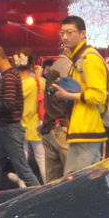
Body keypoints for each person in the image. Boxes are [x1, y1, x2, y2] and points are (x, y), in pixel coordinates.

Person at [50, 16, 108, 175]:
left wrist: (68, 95)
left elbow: (99, 95)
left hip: (86, 130)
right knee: (90, 179)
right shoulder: (80, 58)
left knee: (74, 180)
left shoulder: (89, 58)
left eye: (69, 32)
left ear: (83, 33)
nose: (65, 37)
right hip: (84, 129)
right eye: (62, 33)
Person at [0, 44, 40, 191]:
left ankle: (42, 194)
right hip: (7, 128)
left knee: (22, 169)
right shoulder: (11, 75)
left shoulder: (9, 77)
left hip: (10, 128)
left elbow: (9, 105)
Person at [40, 53, 73, 182]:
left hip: (49, 127)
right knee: (72, 175)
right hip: (61, 127)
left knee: (52, 180)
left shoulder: (55, 69)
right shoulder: (68, 68)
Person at [16, 48, 45, 183]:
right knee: (41, 158)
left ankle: (22, 187)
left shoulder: (16, 84)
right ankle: (47, 185)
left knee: (22, 160)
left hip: (19, 125)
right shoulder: (37, 82)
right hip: (36, 124)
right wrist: (39, 76)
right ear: (32, 63)